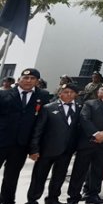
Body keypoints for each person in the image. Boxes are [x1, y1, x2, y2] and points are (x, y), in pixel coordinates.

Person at [66, 81, 103, 204]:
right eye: (102, 89)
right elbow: (84, 119)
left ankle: (93, 195)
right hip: (88, 142)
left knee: (97, 170)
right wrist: (96, 134)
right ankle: (74, 196)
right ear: (98, 92)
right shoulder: (89, 103)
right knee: (80, 171)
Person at [0, 67, 50, 204]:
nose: (28, 80)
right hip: (2, 140)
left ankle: (7, 200)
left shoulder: (44, 96)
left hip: (21, 144)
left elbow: (43, 122)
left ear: (37, 81)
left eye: (32, 78)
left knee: (12, 175)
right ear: (19, 79)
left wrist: (35, 147)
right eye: (25, 78)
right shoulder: (4, 94)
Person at [26, 84, 82, 204]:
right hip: (47, 149)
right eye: (65, 92)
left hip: (67, 150)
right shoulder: (48, 108)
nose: (69, 94)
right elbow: (38, 130)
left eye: (72, 92)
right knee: (39, 176)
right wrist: (34, 149)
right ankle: (32, 199)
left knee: (59, 176)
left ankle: (52, 198)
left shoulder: (79, 108)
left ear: (76, 94)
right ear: (59, 93)